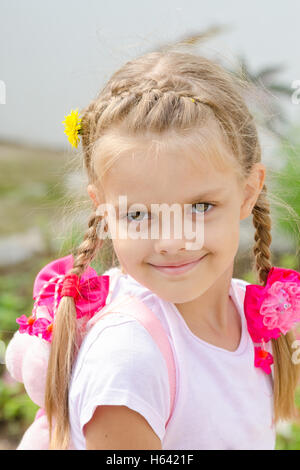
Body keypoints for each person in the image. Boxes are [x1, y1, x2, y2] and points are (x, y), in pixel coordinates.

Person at [10, 50, 300, 450]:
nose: (173, 240)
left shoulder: (257, 316)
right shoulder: (128, 360)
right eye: (140, 214)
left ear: (248, 192)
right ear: (104, 210)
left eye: (200, 207)